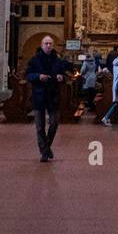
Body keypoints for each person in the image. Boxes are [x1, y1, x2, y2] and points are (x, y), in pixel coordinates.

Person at [25, 34, 76, 162]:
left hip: (53, 95)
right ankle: (45, 152)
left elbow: (66, 75)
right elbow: (28, 75)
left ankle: (46, 147)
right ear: (42, 45)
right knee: (39, 126)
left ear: (52, 46)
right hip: (39, 95)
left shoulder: (57, 60)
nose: (48, 46)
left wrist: (61, 77)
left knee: (54, 122)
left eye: (50, 44)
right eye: (46, 44)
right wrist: (38, 76)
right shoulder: (35, 60)